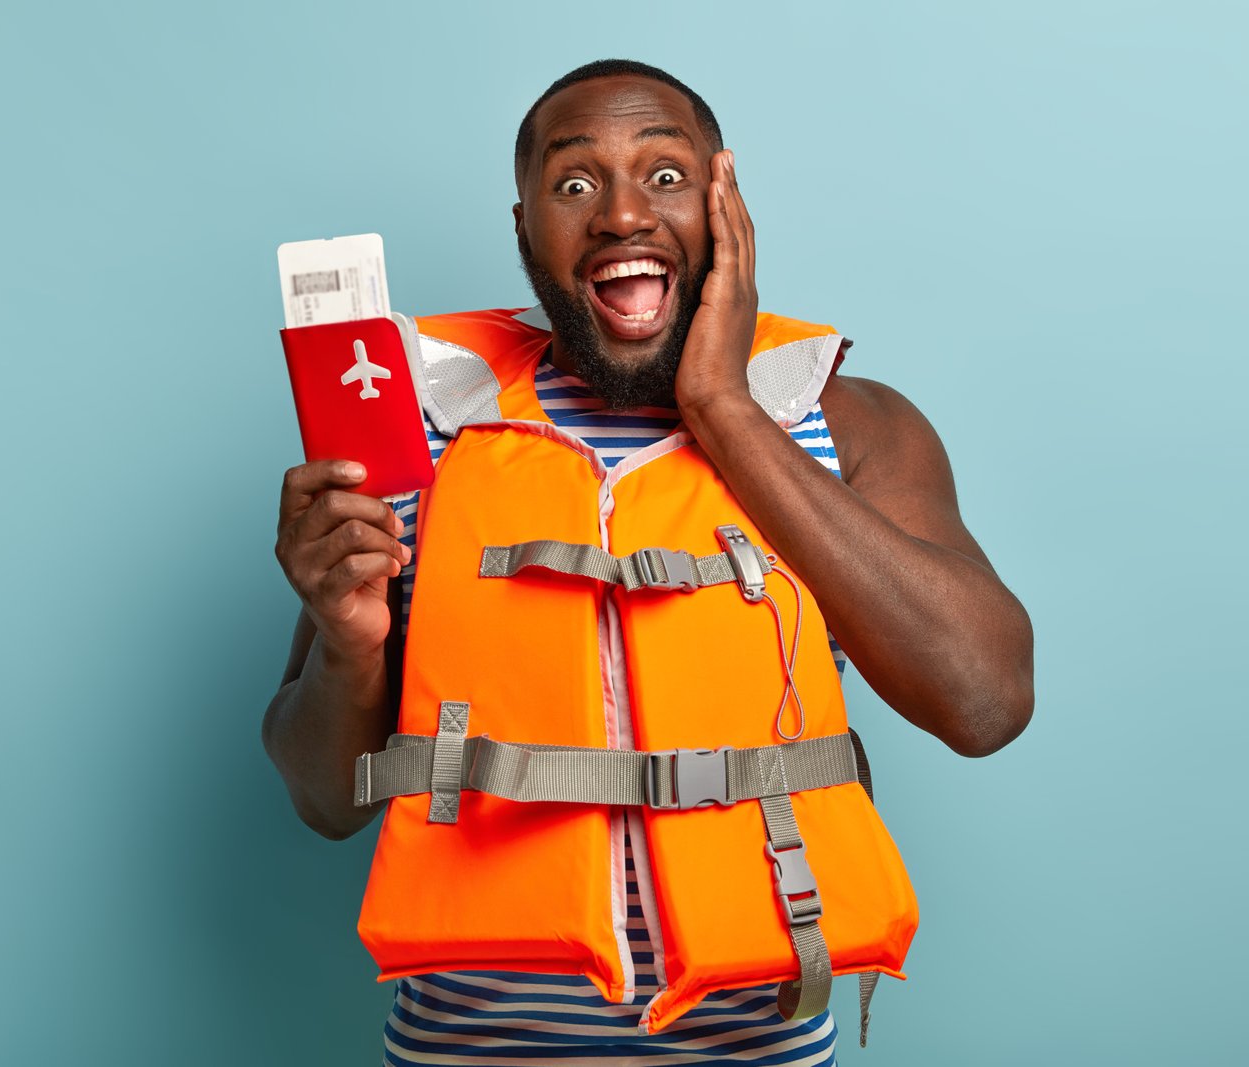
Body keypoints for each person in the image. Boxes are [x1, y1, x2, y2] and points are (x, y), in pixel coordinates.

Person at [263, 58, 1035, 1065]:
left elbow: (981, 701)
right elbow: (324, 800)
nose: (621, 213)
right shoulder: (426, 438)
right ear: (523, 229)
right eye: (574, 183)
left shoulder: (843, 423)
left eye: (665, 175)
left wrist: (722, 404)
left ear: (727, 204)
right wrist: (348, 641)